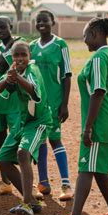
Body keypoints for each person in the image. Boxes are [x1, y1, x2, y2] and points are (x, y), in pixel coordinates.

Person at [49, 18, 108, 215]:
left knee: (86, 167)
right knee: (98, 168)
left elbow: (98, 91)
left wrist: (88, 127)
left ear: (95, 32)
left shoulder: (100, 58)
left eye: (85, 35)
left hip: (102, 122)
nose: (83, 40)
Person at [0, 41, 51, 215]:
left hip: (38, 121)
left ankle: (26, 203)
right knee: (2, 159)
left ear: (29, 56)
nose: (19, 59)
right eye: (16, 55)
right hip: (22, 122)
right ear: (11, 57)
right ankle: (32, 201)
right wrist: (8, 79)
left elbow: (34, 91)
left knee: (23, 152)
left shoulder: (32, 71)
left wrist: (17, 78)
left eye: (23, 55)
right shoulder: (13, 71)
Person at [30, 10, 73, 201]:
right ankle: (44, 182)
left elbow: (67, 75)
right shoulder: (31, 46)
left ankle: (66, 184)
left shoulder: (60, 44)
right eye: (38, 21)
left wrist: (64, 104)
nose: (42, 24)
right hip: (37, 103)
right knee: (39, 140)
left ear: (52, 22)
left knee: (55, 140)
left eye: (45, 21)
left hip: (54, 103)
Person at [0, 17, 24, 196]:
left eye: (4, 27)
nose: (0, 30)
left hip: (14, 100)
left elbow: (2, 63)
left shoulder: (18, 44)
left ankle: (26, 181)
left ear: (11, 27)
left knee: (18, 140)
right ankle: (5, 182)